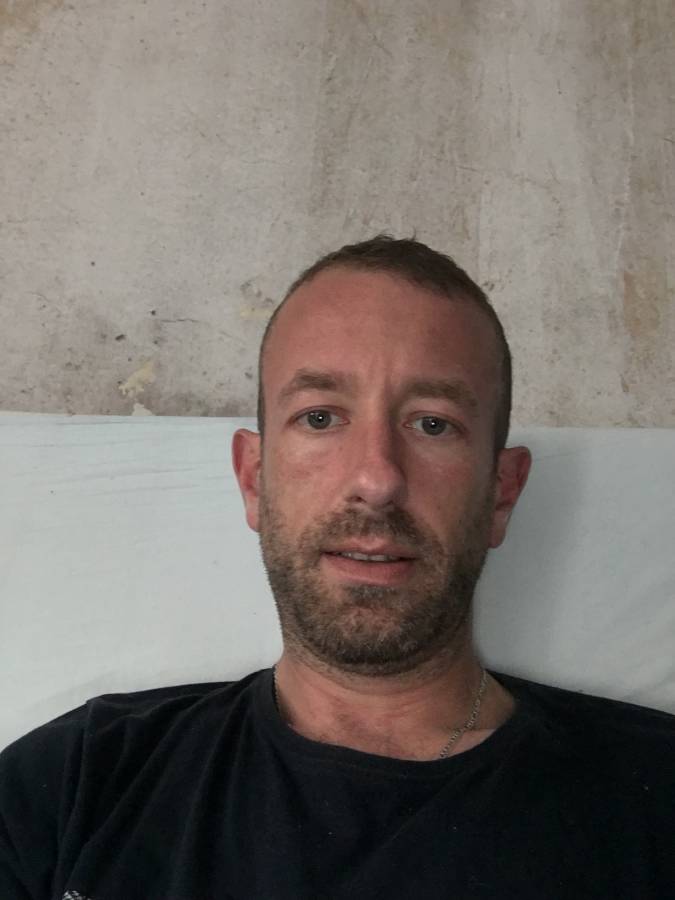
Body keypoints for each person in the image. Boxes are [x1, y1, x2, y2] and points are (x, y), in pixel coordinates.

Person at [1, 236, 673, 900]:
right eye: (320, 417)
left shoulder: (654, 798)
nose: (376, 480)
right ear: (253, 480)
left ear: (501, 493)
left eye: (432, 424)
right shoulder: (74, 787)